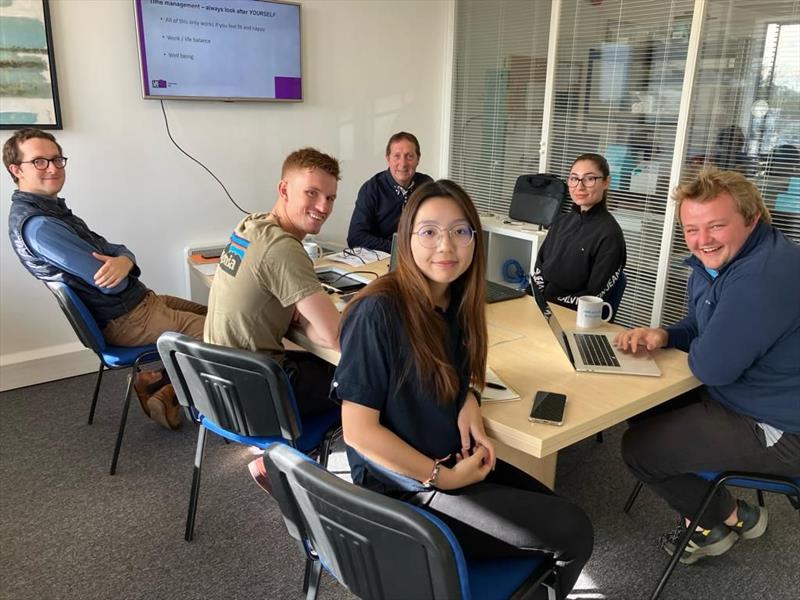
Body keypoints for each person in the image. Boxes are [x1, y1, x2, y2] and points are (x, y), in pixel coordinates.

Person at [334, 179, 593, 598]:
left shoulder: (454, 302)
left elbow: (457, 371)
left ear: (476, 238)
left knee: (565, 514)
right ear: (406, 238)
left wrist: (469, 398)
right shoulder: (378, 311)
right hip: (405, 491)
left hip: (449, 462)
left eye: (460, 231)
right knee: (572, 531)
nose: (446, 246)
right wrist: (443, 478)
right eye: (430, 231)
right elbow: (359, 432)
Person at [614, 168, 800, 565]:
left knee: (640, 450)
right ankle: (737, 515)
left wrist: (705, 345)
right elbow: (701, 326)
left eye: (716, 226)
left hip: (779, 427)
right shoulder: (720, 262)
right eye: (691, 229)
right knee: (642, 408)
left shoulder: (761, 277)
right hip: (741, 396)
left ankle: (715, 524)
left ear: (751, 219)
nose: (702, 241)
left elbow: (712, 367)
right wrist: (665, 335)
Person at [4, 128, 206, 430]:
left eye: (57, 159)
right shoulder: (41, 226)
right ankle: (169, 392)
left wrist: (124, 259)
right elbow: (112, 281)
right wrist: (122, 263)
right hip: (128, 317)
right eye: (40, 162)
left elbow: (113, 250)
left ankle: (152, 381)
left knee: (215, 313)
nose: (53, 168)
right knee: (225, 332)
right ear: (16, 170)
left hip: (138, 305)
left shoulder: (53, 212)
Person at [204, 148, 341, 420]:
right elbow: (334, 336)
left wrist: (305, 318)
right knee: (371, 382)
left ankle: (272, 457)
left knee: (322, 364)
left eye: (330, 198)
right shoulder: (282, 248)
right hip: (257, 392)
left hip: (217, 382)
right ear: (284, 189)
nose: (323, 207)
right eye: (311, 193)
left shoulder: (251, 224)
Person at [532, 153, 626, 310]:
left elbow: (593, 297)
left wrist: (548, 302)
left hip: (574, 315)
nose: (579, 186)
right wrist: (531, 299)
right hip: (543, 307)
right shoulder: (561, 222)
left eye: (589, 179)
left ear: (606, 182)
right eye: (574, 178)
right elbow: (539, 271)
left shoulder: (610, 235)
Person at [346, 132, 433, 253]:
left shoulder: (427, 186)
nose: (403, 164)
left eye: (409, 156)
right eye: (397, 156)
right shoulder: (371, 189)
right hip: (382, 260)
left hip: (421, 256)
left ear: (418, 159)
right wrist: (398, 248)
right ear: (388, 159)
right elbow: (355, 238)